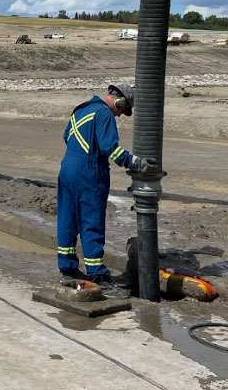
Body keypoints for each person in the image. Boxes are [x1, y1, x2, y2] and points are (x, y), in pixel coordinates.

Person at [56, 82, 158, 291]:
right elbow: (110, 148)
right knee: (91, 221)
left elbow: (67, 137)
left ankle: (67, 268)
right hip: (89, 172)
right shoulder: (104, 114)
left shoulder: (81, 109)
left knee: (68, 219)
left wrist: (81, 153)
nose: (120, 115)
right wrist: (136, 162)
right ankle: (97, 274)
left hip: (67, 168)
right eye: (122, 110)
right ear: (119, 101)